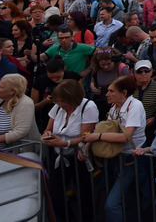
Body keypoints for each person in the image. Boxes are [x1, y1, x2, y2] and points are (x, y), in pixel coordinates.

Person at [81, 75, 151, 222]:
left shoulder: (135, 106)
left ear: (124, 93)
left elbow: (126, 137)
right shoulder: (114, 108)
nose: (107, 94)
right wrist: (89, 143)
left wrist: (97, 137)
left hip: (132, 160)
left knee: (112, 205)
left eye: (111, 91)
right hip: (118, 159)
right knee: (128, 201)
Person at [42, 79, 99, 221]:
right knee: (55, 194)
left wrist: (63, 143)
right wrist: (47, 136)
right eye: (58, 102)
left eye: (63, 102)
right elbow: (46, 130)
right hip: (59, 157)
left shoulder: (88, 106)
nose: (60, 105)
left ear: (73, 99)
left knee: (84, 195)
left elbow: (85, 137)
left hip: (79, 156)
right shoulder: (57, 108)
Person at [0, 73, 41, 150]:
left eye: (0, 87)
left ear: (12, 91)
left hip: (20, 155)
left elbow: (20, 132)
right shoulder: (0, 101)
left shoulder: (26, 104)